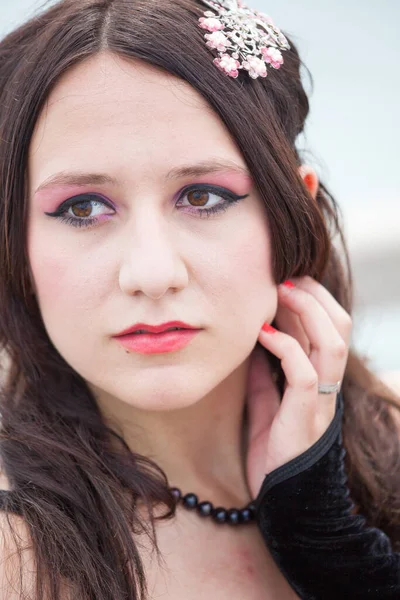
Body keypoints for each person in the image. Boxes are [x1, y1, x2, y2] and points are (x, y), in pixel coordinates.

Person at [0, 0, 398, 598]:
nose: (153, 273)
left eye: (204, 196)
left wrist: (331, 544)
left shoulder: (391, 443)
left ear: (298, 215)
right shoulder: (17, 556)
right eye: (83, 208)